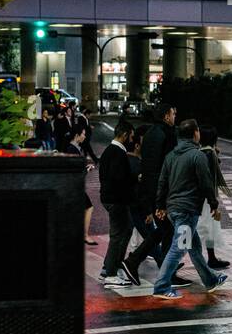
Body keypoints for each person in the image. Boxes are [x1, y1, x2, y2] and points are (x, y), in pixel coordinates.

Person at [152, 119, 226, 298]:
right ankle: (161, 287)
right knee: (179, 248)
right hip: (187, 210)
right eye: (198, 131)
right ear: (195, 134)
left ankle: (210, 280)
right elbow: (206, 183)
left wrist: (160, 205)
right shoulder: (197, 155)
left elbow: (162, 182)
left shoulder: (171, 156)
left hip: (174, 209)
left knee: (193, 247)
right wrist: (214, 205)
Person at [123, 103, 185, 287]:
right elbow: (168, 167)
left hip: (150, 188)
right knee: (168, 229)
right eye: (174, 113)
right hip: (162, 189)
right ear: (166, 116)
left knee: (167, 230)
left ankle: (166, 271)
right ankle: (134, 261)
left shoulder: (150, 133)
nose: (175, 117)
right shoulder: (168, 134)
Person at [98, 121, 139, 286]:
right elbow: (119, 179)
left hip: (111, 198)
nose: (132, 139)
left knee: (126, 229)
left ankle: (109, 266)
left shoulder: (109, 151)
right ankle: (110, 273)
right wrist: (135, 179)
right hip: (116, 200)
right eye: (131, 135)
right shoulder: (117, 153)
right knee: (118, 235)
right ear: (124, 135)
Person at [196, 126, 231, 270]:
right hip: (206, 198)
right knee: (202, 228)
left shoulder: (200, 152)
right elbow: (211, 176)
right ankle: (175, 257)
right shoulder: (209, 154)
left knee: (208, 228)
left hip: (203, 197)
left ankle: (211, 258)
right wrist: (213, 201)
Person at [62, 125, 98, 245]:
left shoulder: (74, 148)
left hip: (72, 186)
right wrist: (87, 170)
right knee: (88, 207)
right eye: (83, 134)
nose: (85, 136)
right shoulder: (72, 150)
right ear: (77, 136)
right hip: (73, 186)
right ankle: (84, 235)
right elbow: (74, 172)